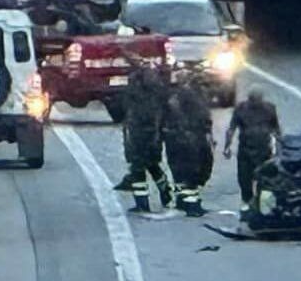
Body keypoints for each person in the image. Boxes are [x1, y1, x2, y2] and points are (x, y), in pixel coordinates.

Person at [112, 67, 173, 213]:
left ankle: (142, 203)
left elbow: (118, 112)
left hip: (137, 137)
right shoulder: (158, 95)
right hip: (153, 137)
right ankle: (165, 191)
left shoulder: (131, 95)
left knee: (138, 169)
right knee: (153, 165)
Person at [164, 74, 218, 217]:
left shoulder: (178, 97)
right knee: (192, 171)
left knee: (182, 171)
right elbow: (204, 118)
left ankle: (182, 201)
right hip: (188, 138)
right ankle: (192, 205)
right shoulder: (193, 98)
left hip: (177, 138)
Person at [223, 91, 282, 219]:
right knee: (245, 180)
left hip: (263, 151)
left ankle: (261, 209)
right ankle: (247, 206)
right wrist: (227, 146)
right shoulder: (241, 109)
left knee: (264, 181)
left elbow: (276, 130)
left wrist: (280, 148)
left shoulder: (269, 109)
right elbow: (231, 128)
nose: (255, 102)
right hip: (246, 150)